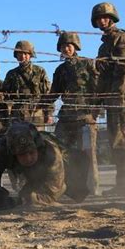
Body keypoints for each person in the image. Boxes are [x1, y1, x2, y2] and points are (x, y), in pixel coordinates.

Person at [0, 121, 88, 209]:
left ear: (37, 148)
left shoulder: (51, 153)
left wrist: (18, 201)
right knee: (26, 192)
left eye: (31, 152)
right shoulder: (5, 148)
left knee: (77, 192)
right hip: (36, 171)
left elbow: (52, 192)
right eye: (22, 155)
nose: (28, 158)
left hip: (71, 167)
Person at [42, 31, 100, 196]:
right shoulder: (60, 70)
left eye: (69, 45)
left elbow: (98, 88)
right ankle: (65, 187)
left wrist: (96, 110)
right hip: (67, 115)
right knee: (58, 152)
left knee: (88, 153)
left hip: (85, 115)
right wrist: (39, 104)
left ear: (76, 47)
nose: (66, 49)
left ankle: (92, 187)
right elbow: (54, 93)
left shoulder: (88, 64)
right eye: (63, 46)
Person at [92, 2, 125, 196]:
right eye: (98, 19)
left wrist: (118, 95)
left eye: (105, 17)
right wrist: (100, 100)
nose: (102, 21)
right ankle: (123, 184)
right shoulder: (105, 45)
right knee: (116, 143)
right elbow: (102, 76)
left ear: (112, 19)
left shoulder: (121, 38)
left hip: (122, 101)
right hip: (111, 100)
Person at [3, 40, 53, 131]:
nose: (23, 56)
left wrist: (48, 113)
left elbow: (47, 94)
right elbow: (5, 94)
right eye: (20, 54)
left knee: (38, 141)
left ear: (30, 55)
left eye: (25, 54)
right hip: (18, 113)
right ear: (16, 56)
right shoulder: (11, 74)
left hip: (36, 112)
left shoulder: (39, 71)